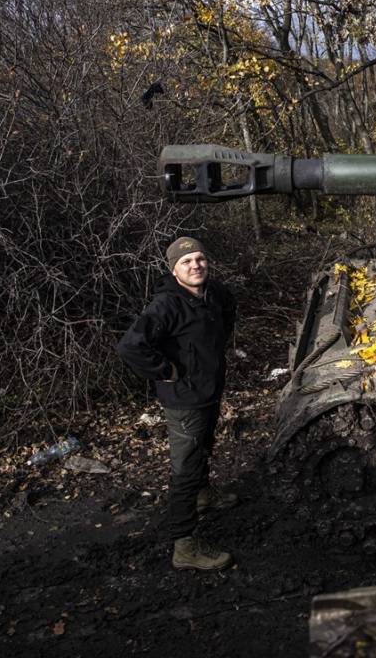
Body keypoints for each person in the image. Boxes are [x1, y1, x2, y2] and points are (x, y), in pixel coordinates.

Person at [117, 236, 238, 571]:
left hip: (208, 389)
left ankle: (204, 496)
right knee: (185, 470)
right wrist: (165, 369)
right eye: (186, 262)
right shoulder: (166, 305)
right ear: (174, 269)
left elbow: (227, 316)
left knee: (204, 447)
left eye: (199, 259)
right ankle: (184, 546)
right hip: (184, 398)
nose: (195, 265)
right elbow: (130, 346)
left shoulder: (214, 293)